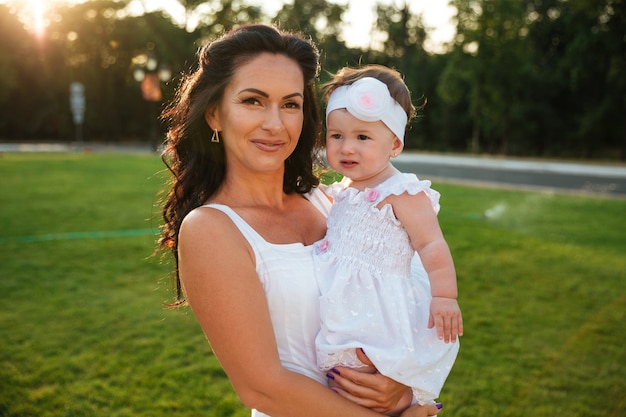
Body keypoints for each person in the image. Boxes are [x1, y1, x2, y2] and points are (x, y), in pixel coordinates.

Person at [158, 24, 442, 417]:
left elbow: (414, 294)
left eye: (290, 104)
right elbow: (263, 387)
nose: (275, 124)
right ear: (214, 113)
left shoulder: (335, 201)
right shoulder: (212, 229)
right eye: (253, 101)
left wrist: (406, 391)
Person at [313, 65, 463, 408]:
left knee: (374, 384)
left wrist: (445, 297)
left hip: (381, 313)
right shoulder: (344, 190)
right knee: (347, 388)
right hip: (345, 310)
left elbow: (431, 244)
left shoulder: (402, 192)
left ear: (394, 144)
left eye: (362, 137)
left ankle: (402, 407)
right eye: (337, 136)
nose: (347, 148)